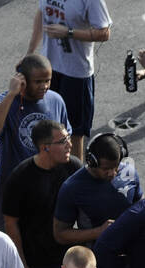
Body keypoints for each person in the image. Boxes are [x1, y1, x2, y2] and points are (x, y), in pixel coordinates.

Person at [0, 54, 72, 224]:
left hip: (49, 194)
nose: (44, 86)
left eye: (47, 80)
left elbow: (67, 143)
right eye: (38, 82)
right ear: (23, 80)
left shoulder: (56, 100)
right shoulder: (5, 102)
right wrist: (11, 95)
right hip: (13, 195)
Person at [3, 121, 82, 268]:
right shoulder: (20, 178)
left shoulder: (74, 167)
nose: (69, 144)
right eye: (62, 141)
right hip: (35, 264)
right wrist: (22, 265)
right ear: (44, 147)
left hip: (68, 262)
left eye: (68, 138)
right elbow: (10, 223)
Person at [27, 0, 112, 161]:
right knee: (47, 126)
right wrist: (30, 53)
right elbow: (41, 13)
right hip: (50, 69)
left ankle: (73, 176)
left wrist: (69, 32)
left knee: (74, 132)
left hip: (76, 73)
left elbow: (104, 32)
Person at [51, 132, 142, 249]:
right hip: (98, 256)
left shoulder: (129, 172)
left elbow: (140, 205)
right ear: (92, 161)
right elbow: (60, 234)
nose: (112, 173)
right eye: (106, 169)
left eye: (116, 166)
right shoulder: (72, 188)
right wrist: (98, 232)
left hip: (132, 251)